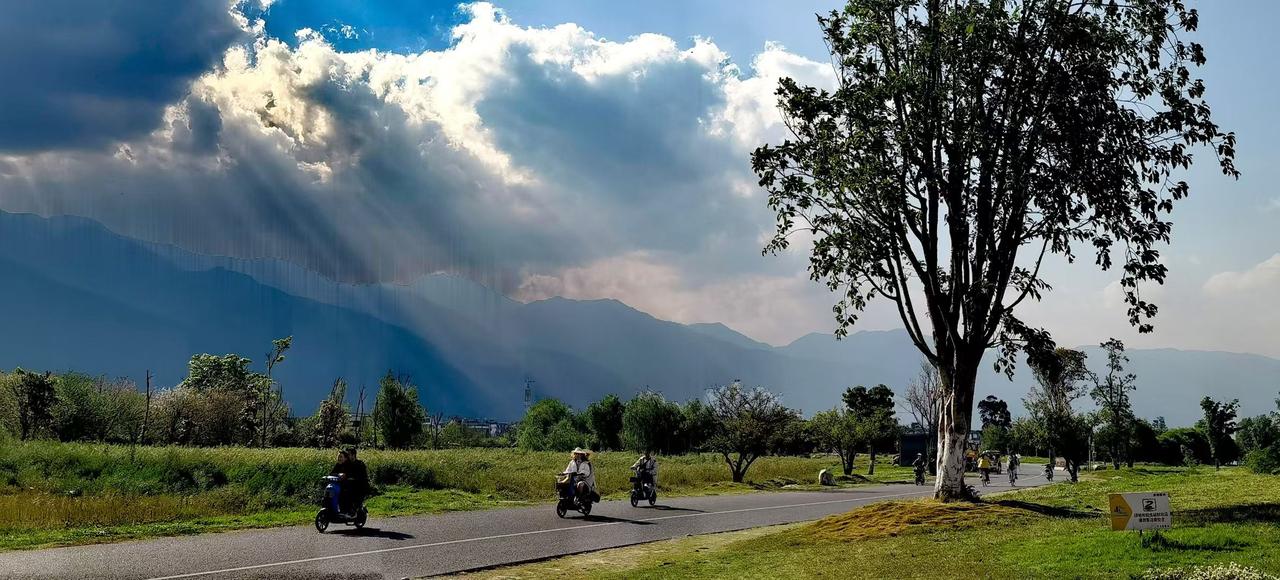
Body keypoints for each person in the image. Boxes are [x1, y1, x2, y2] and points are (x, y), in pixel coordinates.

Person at [329, 447, 368, 516]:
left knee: (347, 493)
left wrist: (352, 478)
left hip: (359, 486)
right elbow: (334, 473)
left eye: (348, 454)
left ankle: (349, 511)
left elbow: (361, 477)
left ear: (353, 455)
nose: (347, 456)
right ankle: (341, 510)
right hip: (348, 484)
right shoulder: (345, 464)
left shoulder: (359, 464)